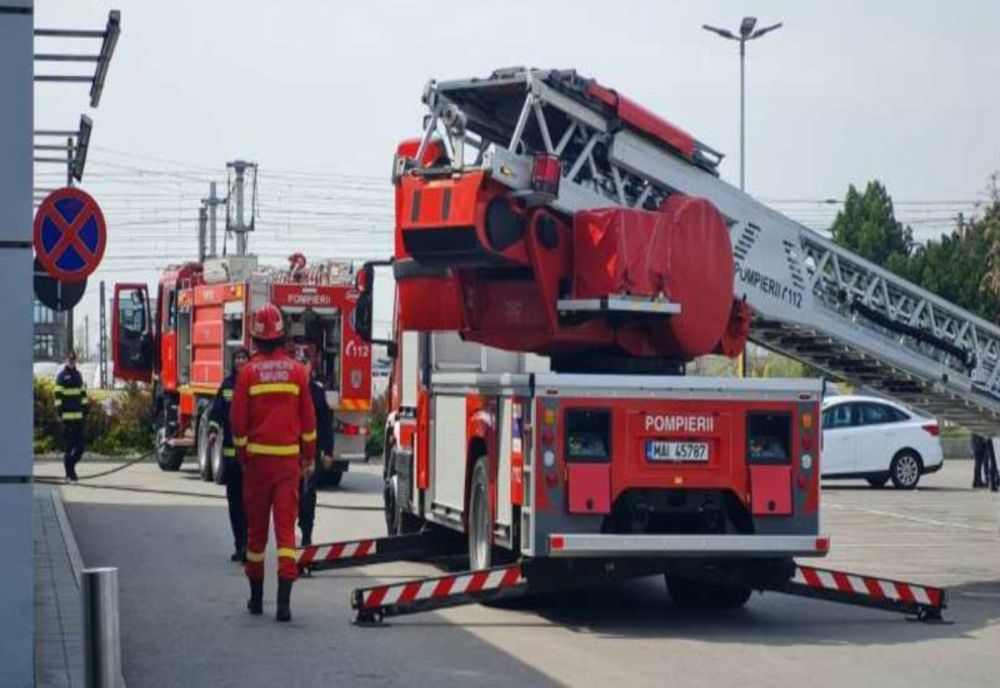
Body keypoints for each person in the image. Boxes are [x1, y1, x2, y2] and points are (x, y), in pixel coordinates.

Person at [231, 304, 316, 622]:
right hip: (287, 465)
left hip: (256, 465)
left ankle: (256, 600)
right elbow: (308, 423)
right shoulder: (297, 372)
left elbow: (238, 422)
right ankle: (283, 605)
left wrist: (243, 455)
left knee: (255, 535)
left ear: (255, 337)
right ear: (281, 335)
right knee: (285, 534)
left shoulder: (248, 373)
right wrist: (308, 458)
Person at [209, 347, 250, 562]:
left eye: (244, 357)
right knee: (234, 503)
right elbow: (216, 413)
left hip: (251, 460)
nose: (241, 361)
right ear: (233, 362)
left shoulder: (255, 384)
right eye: (238, 358)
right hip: (231, 458)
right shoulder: (226, 386)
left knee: (249, 504)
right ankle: (240, 544)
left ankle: (250, 545)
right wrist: (213, 431)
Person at [296, 353, 334, 548]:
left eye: (305, 364)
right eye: (299, 364)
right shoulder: (289, 390)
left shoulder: (317, 393)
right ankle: (299, 522)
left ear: (311, 367)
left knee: (308, 494)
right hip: (291, 452)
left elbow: (327, 424)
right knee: (294, 495)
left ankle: (307, 534)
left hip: (311, 453)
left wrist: (328, 451)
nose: (302, 367)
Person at [55, 350, 87, 483]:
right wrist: (59, 412)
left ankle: (71, 467)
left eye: (73, 360)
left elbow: (83, 394)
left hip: (78, 418)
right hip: (67, 419)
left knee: (80, 448)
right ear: (66, 361)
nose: (72, 362)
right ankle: (69, 474)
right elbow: (57, 396)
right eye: (70, 360)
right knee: (69, 448)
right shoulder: (62, 376)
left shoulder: (79, 376)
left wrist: (85, 408)